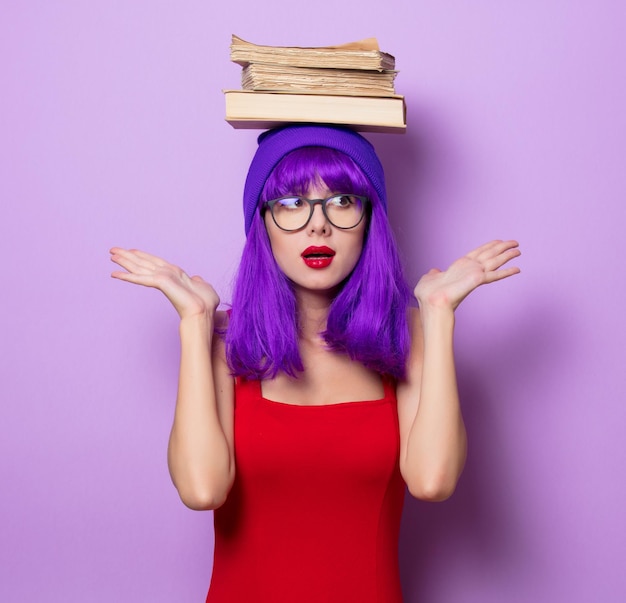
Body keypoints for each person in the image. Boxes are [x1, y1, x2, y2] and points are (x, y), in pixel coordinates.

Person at [110, 124, 520, 602]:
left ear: (370, 218)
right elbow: (202, 490)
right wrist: (195, 320)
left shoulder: (408, 334)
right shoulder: (225, 339)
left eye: (342, 201)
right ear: (261, 222)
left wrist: (440, 313)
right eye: (290, 204)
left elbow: (433, 480)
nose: (317, 225)